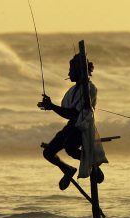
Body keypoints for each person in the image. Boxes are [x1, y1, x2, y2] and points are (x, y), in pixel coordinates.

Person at [37, 54, 101, 190]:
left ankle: (93, 164)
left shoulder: (90, 88)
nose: (68, 73)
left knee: (70, 148)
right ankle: (68, 169)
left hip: (83, 127)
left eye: (71, 70)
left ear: (79, 71)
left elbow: (75, 113)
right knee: (48, 153)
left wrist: (52, 107)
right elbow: (68, 113)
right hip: (71, 126)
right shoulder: (71, 91)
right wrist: (51, 106)